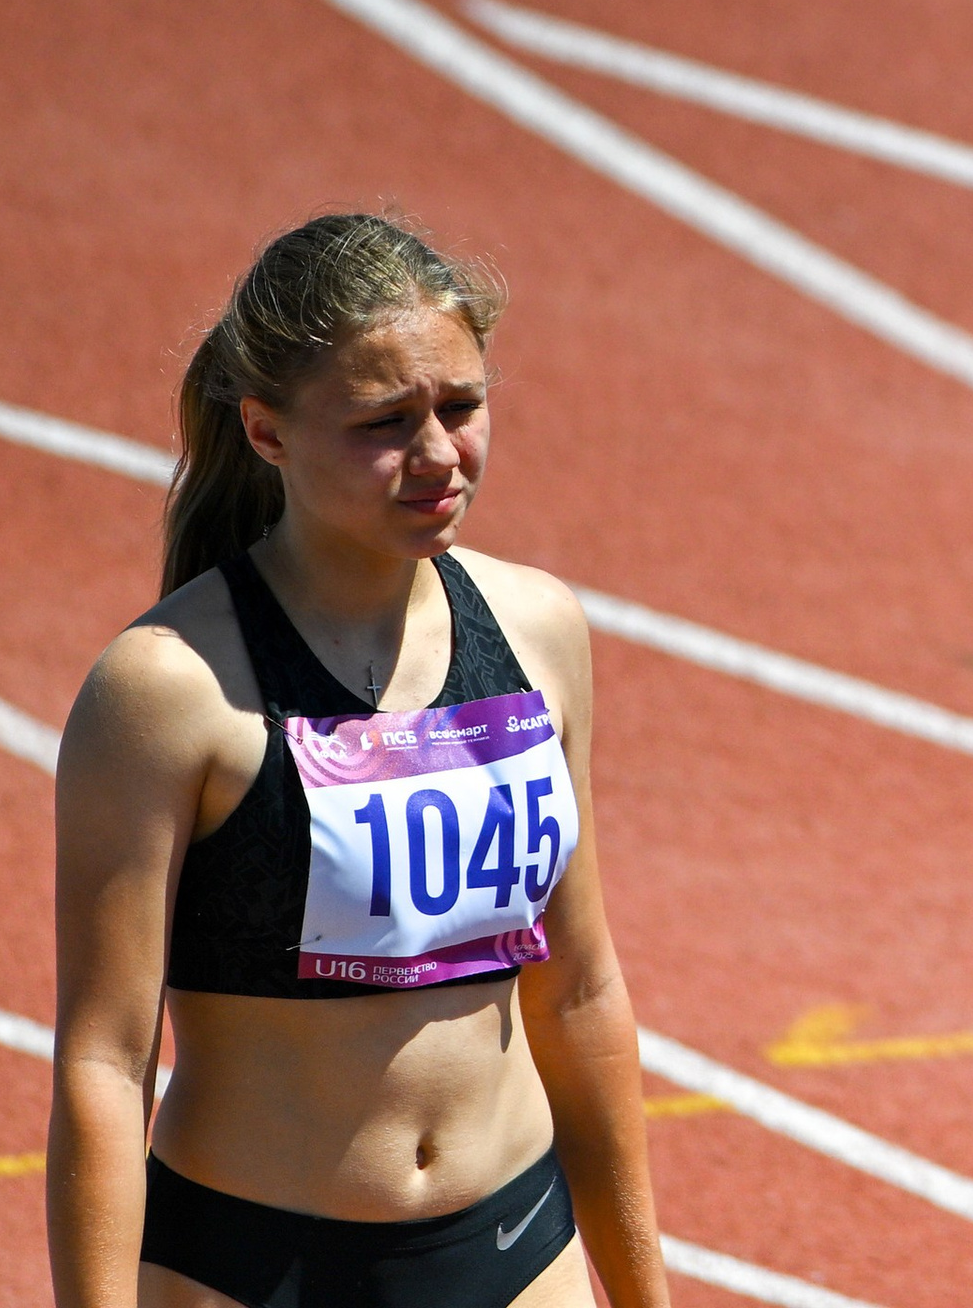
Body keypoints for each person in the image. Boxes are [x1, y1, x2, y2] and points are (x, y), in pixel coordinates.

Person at [50, 212, 670, 1308]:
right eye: (385, 422)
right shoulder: (166, 690)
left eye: (462, 407)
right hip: (257, 1263)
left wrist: (642, 1292)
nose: (438, 455)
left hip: (517, 1239)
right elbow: (106, 1060)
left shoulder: (538, 630)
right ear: (267, 430)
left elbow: (579, 990)